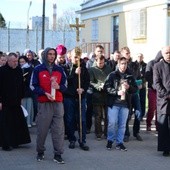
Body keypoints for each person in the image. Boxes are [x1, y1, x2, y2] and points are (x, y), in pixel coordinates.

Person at [30, 47, 67, 163]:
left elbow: (65, 86)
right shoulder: (38, 69)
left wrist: (59, 87)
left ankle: (58, 154)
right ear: (45, 55)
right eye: (49, 54)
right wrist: (44, 93)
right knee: (42, 129)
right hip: (44, 103)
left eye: (53, 54)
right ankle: (40, 152)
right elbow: (32, 86)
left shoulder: (60, 69)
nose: (51, 56)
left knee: (58, 130)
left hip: (58, 103)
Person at [104, 57, 138, 151]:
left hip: (125, 104)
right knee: (112, 123)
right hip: (114, 104)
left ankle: (119, 142)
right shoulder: (112, 75)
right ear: (118, 64)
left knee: (122, 124)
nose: (124, 65)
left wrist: (129, 87)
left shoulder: (130, 76)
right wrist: (116, 92)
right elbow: (106, 87)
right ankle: (110, 140)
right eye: (122, 63)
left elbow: (135, 89)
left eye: (125, 64)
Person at [0, 52, 31, 151]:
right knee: (6, 124)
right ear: (8, 61)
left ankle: (16, 141)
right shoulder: (2, 71)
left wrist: (21, 97)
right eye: (13, 61)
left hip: (16, 101)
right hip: (5, 102)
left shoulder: (18, 70)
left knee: (17, 122)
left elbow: (21, 84)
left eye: (16, 61)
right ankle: (6, 143)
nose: (15, 63)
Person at [64, 48, 90, 151]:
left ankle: (82, 140)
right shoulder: (66, 67)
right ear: (70, 57)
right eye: (75, 57)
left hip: (80, 97)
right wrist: (74, 73)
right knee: (70, 119)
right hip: (69, 97)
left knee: (82, 119)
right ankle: (72, 139)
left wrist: (83, 89)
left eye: (78, 56)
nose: (77, 59)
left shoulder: (84, 68)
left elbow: (87, 81)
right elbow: (65, 82)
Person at [121, 47, 143, 142]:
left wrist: (140, 83)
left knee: (138, 112)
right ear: (122, 54)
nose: (128, 54)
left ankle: (136, 132)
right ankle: (126, 134)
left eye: (129, 53)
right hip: (126, 94)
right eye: (126, 53)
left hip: (135, 92)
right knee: (127, 114)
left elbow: (139, 76)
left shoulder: (135, 65)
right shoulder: (121, 65)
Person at [89, 55, 112, 140]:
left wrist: (107, 85)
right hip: (97, 95)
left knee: (107, 115)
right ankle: (98, 133)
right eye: (99, 63)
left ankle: (106, 133)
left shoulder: (108, 68)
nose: (101, 64)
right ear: (96, 61)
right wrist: (98, 86)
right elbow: (91, 82)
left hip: (107, 94)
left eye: (102, 63)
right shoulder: (92, 69)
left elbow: (111, 79)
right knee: (98, 115)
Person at [153, 46, 170, 157]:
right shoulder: (157, 66)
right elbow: (157, 83)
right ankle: (165, 149)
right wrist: (167, 95)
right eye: (167, 53)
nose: (169, 55)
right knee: (164, 126)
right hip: (164, 100)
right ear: (162, 54)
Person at [18, 55, 34, 127]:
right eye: (20, 62)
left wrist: (24, 80)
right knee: (23, 107)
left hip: (28, 91)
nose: (21, 63)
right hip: (21, 91)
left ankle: (28, 122)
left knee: (29, 107)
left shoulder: (29, 69)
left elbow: (31, 80)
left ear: (26, 61)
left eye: (23, 61)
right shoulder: (18, 69)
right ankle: (23, 122)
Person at [135, 53, 147, 120]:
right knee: (135, 100)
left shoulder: (145, 65)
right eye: (138, 56)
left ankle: (142, 115)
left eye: (141, 56)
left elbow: (146, 76)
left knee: (142, 100)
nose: (139, 57)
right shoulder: (133, 64)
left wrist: (141, 82)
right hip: (134, 85)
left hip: (142, 86)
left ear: (143, 57)